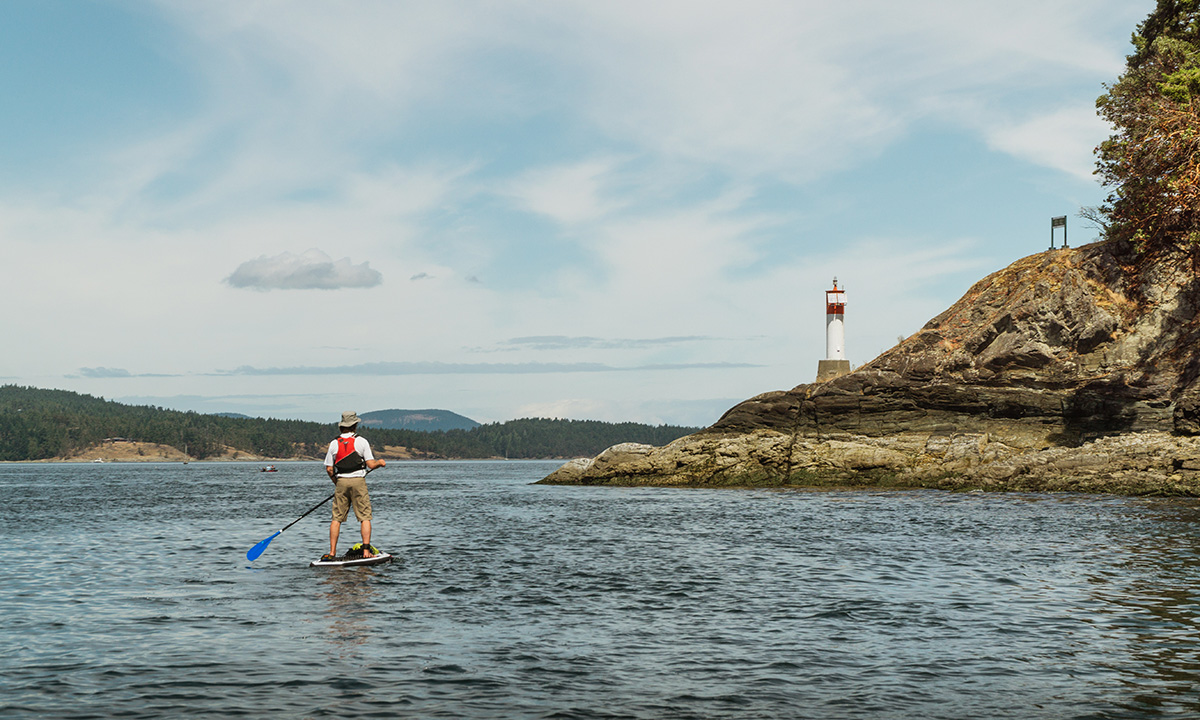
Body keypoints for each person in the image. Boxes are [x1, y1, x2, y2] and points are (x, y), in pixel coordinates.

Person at [322, 411, 386, 561]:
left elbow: (329, 469)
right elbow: (370, 464)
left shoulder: (333, 443)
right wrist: (380, 463)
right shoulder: (362, 441)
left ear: (341, 427)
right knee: (364, 517)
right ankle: (365, 551)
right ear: (355, 425)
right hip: (358, 481)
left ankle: (332, 553)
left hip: (341, 482)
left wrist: (337, 484)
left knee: (336, 518)